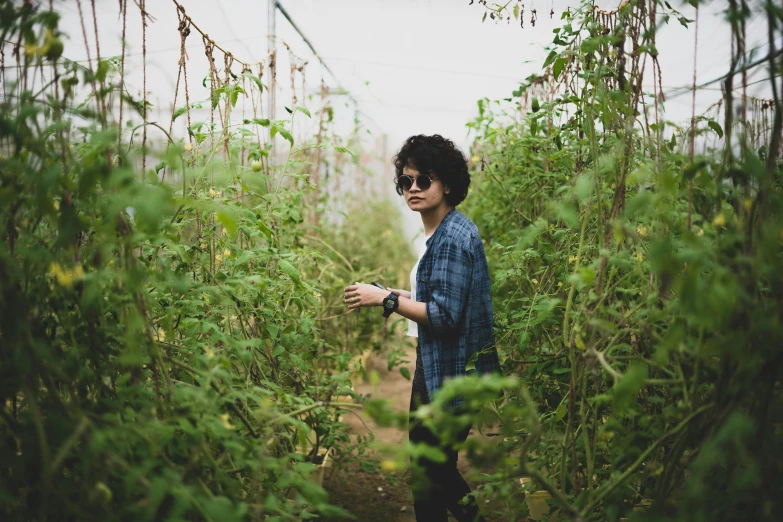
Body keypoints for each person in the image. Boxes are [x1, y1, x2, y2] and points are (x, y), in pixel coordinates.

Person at [343, 134, 501, 522]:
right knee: (433, 471)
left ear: (447, 183)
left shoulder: (451, 239)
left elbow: (446, 317)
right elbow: (442, 299)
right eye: (406, 181)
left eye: (423, 180)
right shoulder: (443, 232)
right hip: (438, 366)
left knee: (434, 474)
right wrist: (393, 292)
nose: (413, 188)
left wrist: (387, 301)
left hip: (449, 371)